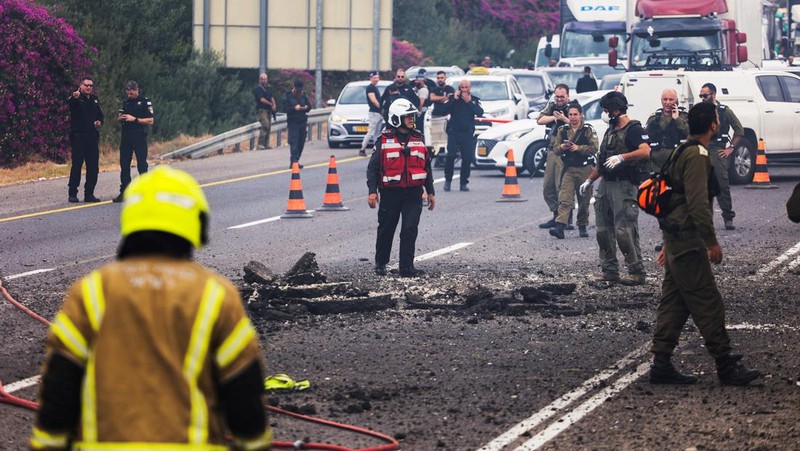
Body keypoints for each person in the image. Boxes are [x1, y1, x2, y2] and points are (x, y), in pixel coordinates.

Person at [30, 166, 272, 450]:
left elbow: (61, 385)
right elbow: (243, 389)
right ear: (197, 223)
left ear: (130, 218)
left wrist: (49, 444)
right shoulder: (215, 295)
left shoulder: (91, 292)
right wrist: (254, 443)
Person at [649, 102, 760, 386]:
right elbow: (697, 203)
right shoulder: (698, 155)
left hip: (675, 239)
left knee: (674, 302)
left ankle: (661, 363)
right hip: (688, 242)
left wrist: (666, 243)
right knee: (708, 301)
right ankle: (725, 365)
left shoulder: (680, 150)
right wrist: (711, 242)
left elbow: (669, 200)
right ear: (713, 125)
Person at [579, 91, 650, 285]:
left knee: (624, 230)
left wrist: (623, 157)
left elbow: (645, 151)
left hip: (624, 186)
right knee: (603, 230)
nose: (604, 114)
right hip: (606, 185)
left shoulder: (633, 129)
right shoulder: (611, 131)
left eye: (606, 110)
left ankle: (637, 271)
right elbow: (603, 162)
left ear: (616, 110)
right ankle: (610, 270)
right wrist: (589, 180)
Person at [367, 98, 436, 278]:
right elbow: (372, 168)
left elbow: (426, 167)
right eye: (408, 117)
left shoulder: (418, 138)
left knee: (409, 228)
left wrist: (431, 192)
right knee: (386, 228)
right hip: (390, 194)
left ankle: (407, 267)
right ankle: (381, 263)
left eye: (412, 117)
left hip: (413, 193)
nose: (412, 120)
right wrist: (372, 192)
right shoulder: (384, 140)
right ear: (397, 118)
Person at [549, 102, 598, 239]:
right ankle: (560, 226)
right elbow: (555, 149)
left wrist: (579, 148)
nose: (573, 117)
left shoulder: (588, 129)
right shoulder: (563, 130)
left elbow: (594, 148)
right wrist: (563, 148)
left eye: (575, 114)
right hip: (569, 168)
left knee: (584, 199)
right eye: (570, 115)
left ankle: (582, 225)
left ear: (581, 115)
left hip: (585, 169)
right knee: (564, 198)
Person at [700, 82, 743, 230]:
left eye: (705, 95)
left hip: (717, 150)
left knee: (721, 184)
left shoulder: (724, 111)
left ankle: (728, 217)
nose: (702, 98)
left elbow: (739, 130)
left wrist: (730, 148)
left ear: (713, 94)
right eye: (701, 96)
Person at [438, 79, 483, 192]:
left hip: (467, 132)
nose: (464, 90)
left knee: (467, 158)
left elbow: (480, 112)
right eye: (461, 88)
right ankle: (448, 181)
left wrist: (469, 102)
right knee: (451, 156)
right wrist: (454, 99)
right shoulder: (454, 99)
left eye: (466, 87)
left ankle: (463, 183)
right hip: (454, 132)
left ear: (470, 88)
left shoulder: (473, 100)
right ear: (459, 88)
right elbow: (443, 110)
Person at [112, 80, 154, 203]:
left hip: (139, 136)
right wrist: (121, 118)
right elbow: (119, 117)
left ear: (137, 90)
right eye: (128, 93)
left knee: (142, 165)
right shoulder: (125, 103)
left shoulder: (145, 102)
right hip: (126, 137)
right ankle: (124, 191)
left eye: (132, 93)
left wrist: (134, 119)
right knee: (124, 165)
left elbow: (151, 121)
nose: (129, 95)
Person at [537, 84, 571, 229]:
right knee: (548, 187)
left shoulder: (573, 109)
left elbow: (579, 124)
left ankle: (566, 219)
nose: (559, 99)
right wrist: (554, 118)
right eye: (557, 96)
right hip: (552, 151)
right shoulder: (552, 107)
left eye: (562, 97)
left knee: (562, 187)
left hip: (565, 152)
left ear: (568, 96)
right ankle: (555, 215)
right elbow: (539, 119)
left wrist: (564, 119)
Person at [67, 77, 104, 203]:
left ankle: (89, 193)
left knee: (93, 167)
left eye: (91, 85)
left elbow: (100, 115)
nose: (89, 87)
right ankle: (72, 193)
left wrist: (99, 122)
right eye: (86, 85)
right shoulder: (77, 98)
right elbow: (70, 105)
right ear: (81, 85)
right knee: (77, 165)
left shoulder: (94, 100)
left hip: (92, 137)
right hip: (79, 137)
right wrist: (74, 97)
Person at [646, 88, 688, 173]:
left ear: (676, 101)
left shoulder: (684, 117)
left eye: (671, 99)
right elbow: (646, 138)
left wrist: (677, 119)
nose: (667, 102)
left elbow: (690, 133)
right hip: (656, 164)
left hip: (677, 161)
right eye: (665, 99)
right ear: (661, 100)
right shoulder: (654, 118)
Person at [285, 80, 311, 168]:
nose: (299, 91)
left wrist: (305, 107)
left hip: (302, 122)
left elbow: (309, 106)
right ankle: (294, 162)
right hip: (293, 123)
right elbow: (285, 109)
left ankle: (296, 160)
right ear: (294, 88)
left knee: (301, 143)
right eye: (298, 90)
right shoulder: (288, 96)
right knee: (294, 142)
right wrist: (294, 108)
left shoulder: (303, 95)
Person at [359, 71, 384, 157]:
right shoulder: (370, 88)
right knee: (371, 131)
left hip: (378, 113)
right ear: (371, 78)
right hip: (374, 113)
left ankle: (377, 149)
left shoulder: (374, 87)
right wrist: (381, 108)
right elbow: (373, 100)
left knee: (377, 133)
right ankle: (362, 148)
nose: (376, 79)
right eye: (374, 78)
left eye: (377, 78)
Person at [254, 72, 276, 150]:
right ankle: (260, 144)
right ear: (260, 80)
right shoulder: (258, 89)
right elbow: (262, 99)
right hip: (261, 110)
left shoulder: (268, 88)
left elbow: (271, 96)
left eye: (265, 79)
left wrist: (274, 105)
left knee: (269, 127)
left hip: (268, 110)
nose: (264, 80)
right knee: (265, 125)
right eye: (262, 79)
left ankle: (266, 144)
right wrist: (270, 104)